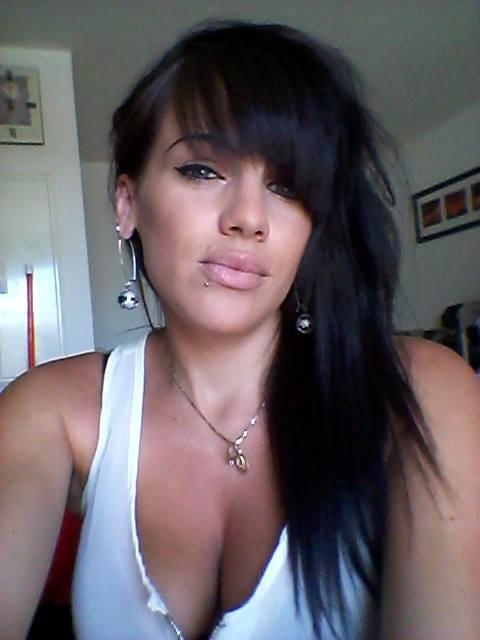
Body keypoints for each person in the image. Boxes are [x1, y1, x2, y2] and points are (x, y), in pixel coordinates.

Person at [1, 20, 479, 640]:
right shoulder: (52, 410)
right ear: (128, 204)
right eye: (203, 170)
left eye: (287, 185)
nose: (250, 218)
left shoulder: (420, 393)